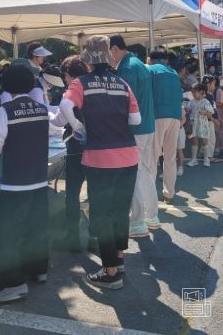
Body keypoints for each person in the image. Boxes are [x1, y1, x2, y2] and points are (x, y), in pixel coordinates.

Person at [59, 35, 140, 290]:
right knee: (120, 210)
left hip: (99, 158)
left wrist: (77, 126)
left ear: (88, 61)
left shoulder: (81, 83)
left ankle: (110, 272)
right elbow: (136, 120)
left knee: (102, 214)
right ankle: (119, 258)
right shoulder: (122, 84)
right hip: (129, 155)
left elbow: (65, 105)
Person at [0, 64, 50, 303]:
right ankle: (39, 270)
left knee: (8, 234)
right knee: (36, 227)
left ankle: (13, 284)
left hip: (16, 182)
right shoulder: (41, 108)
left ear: (6, 85)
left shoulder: (5, 110)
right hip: (39, 179)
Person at [109, 35, 157, 237]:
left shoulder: (126, 68)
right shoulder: (138, 64)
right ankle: (152, 216)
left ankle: (137, 222)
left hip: (135, 128)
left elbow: (125, 103)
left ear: (114, 49)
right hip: (147, 125)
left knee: (133, 175)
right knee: (144, 172)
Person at [50, 56, 89, 252]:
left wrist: (46, 117)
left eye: (64, 75)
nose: (64, 79)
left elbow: (59, 121)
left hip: (76, 148)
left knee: (72, 194)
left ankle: (72, 238)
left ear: (68, 74)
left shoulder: (71, 92)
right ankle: (94, 238)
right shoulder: (92, 88)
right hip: (96, 147)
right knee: (95, 194)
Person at [148, 50, 182, 204]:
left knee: (152, 157)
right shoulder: (173, 73)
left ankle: (150, 195)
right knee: (170, 157)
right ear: (165, 60)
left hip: (157, 115)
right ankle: (169, 193)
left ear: (151, 60)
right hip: (175, 116)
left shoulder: (151, 70)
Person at [0, 63, 64, 112]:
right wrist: (59, 108)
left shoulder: (41, 84)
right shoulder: (37, 89)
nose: (53, 85)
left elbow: (45, 104)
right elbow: (41, 108)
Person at [186, 83, 214, 167]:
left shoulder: (206, 102)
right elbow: (188, 110)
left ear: (201, 92)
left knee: (205, 142)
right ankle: (194, 159)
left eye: (195, 92)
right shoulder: (191, 101)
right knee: (194, 141)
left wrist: (205, 112)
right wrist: (186, 109)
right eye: (192, 92)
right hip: (193, 124)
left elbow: (210, 114)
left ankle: (206, 159)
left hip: (203, 124)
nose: (193, 94)